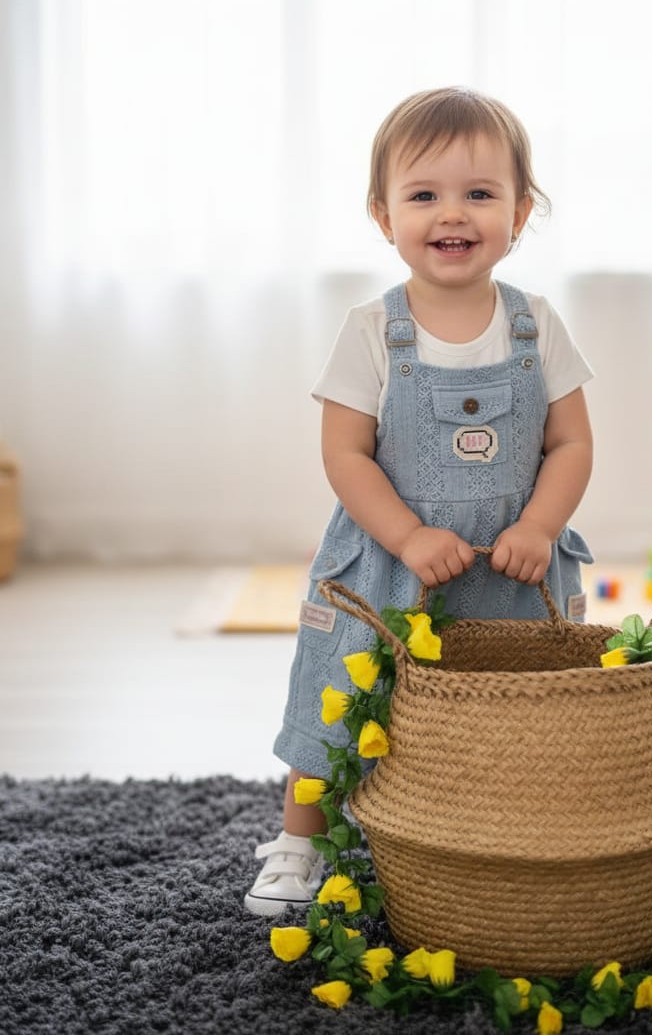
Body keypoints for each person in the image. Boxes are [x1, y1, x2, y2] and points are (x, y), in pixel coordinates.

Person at [245, 87, 594, 916]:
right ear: (384, 214)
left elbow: (572, 443)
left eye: (480, 193)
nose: (453, 214)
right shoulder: (373, 329)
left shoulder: (536, 324)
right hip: (390, 566)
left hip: (510, 568)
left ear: (520, 213)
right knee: (337, 701)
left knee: (513, 717)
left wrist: (540, 525)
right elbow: (345, 454)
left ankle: (496, 837)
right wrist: (406, 535)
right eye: (425, 194)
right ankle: (300, 840)